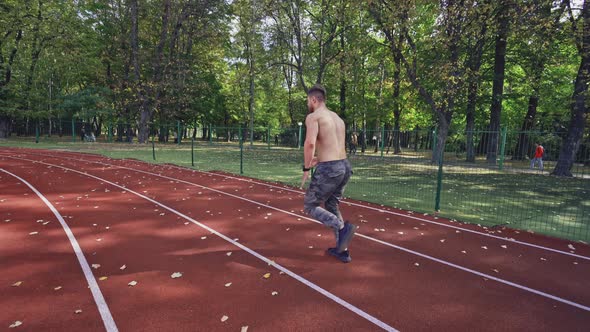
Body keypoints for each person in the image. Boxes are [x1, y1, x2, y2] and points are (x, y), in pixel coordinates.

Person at [300, 84, 356, 263]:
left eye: (308, 101)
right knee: (332, 205)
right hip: (345, 165)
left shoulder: (314, 116)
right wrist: (320, 158)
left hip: (331, 168)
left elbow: (310, 143)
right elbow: (334, 145)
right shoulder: (337, 118)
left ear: (314, 99)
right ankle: (342, 250)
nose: (308, 104)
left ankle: (341, 227)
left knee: (310, 205)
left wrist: (307, 167)